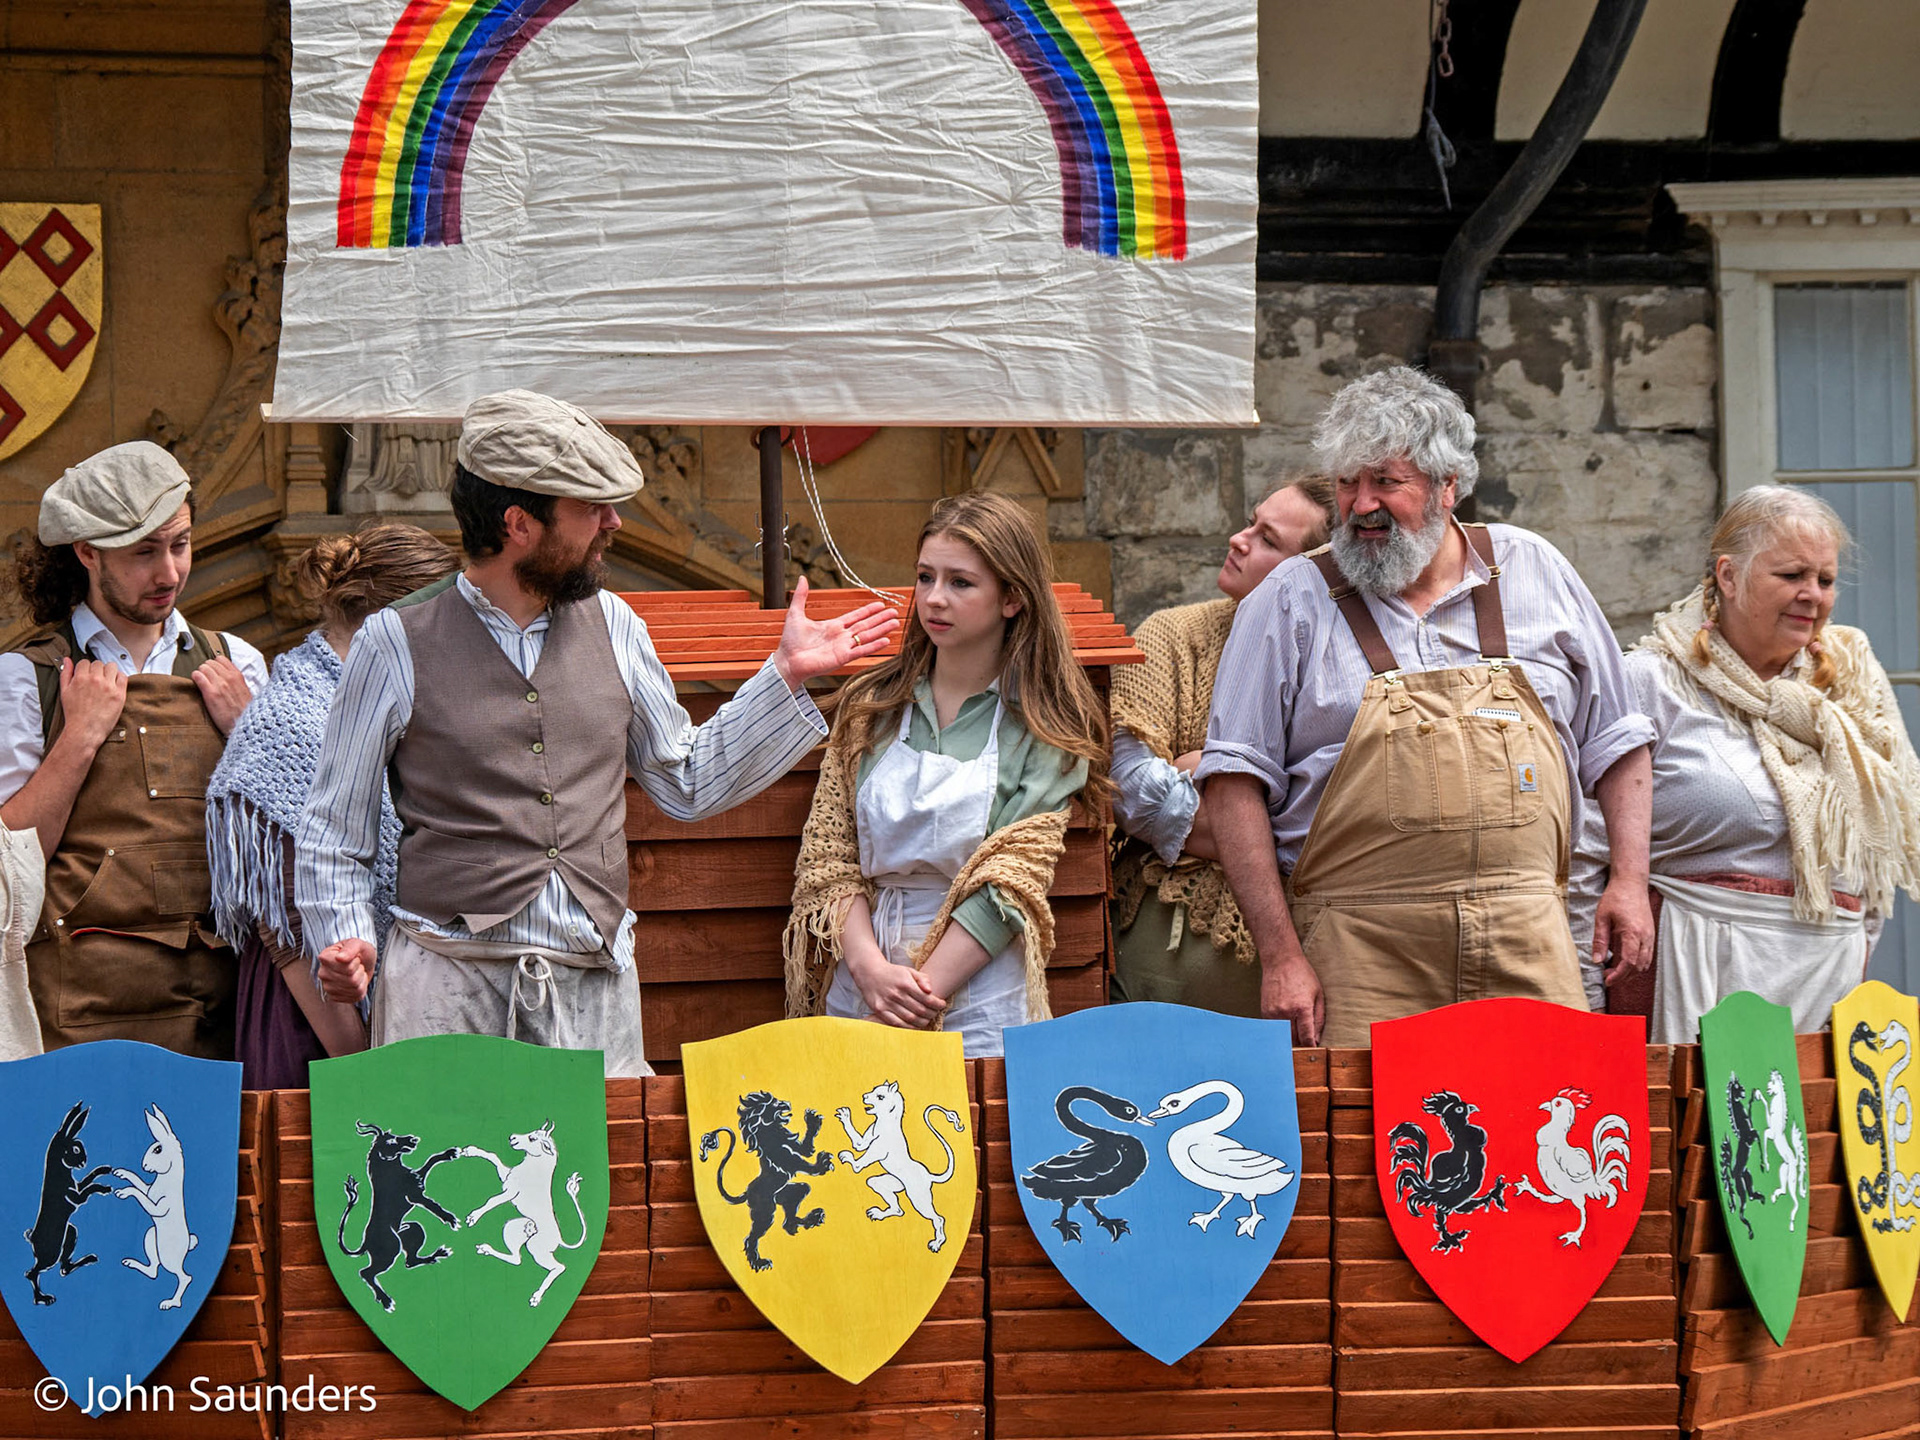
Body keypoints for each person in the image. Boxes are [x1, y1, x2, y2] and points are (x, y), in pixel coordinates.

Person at [297, 390, 898, 1077]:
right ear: (519, 524)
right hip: (448, 993)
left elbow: (685, 778)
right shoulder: (393, 641)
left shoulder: (615, 626)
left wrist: (784, 674)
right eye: (590, 507)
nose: (614, 522)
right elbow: (332, 832)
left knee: (588, 1184)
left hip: (591, 992)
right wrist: (342, 937)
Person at [1197, 366, 1657, 1046]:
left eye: (1386, 481)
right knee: (1370, 1144)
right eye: (1348, 482)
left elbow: (1618, 739)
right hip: (1360, 952)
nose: (1360, 505)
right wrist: (1282, 956)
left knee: (1548, 1129)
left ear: (1448, 485)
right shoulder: (1288, 601)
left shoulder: (1536, 570)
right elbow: (1233, 783)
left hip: (1527, 938)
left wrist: (1628, 881)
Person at [1570, 486, 1920, 1041]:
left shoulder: (1851, 687)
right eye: (1792, 576)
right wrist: (1588, 1012)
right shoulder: (1650, 681)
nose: (1813, 595)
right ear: (1728, 577)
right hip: (1697, 975)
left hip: (1827, 991)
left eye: (1825, 580)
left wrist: (1856, 960)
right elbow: (1584, 857)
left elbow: (1874, 854)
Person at [785, 492, 1111, 1057]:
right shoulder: (871, 707)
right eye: (925, 576)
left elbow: (1011, 884)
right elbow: (830, 858)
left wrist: (916, 998)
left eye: (961, 583)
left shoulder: (1045, 727)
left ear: (1011, 597)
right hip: (863, 977)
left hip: (977, 989)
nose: (934, 598)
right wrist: (867, 971)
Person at [0, 441, 267, 1056]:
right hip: (83, 1007)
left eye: (181, 544)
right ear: (87, 552)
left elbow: (290, 843)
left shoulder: (238, 665)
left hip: (220, 1002)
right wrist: (81, 737)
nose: (169, 572)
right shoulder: (27, 678)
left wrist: (249, 732)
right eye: (144, 552)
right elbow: (11, 861)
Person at [207, 524, 458, 1088]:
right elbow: (286, 925)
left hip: (392, 1011)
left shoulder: (377, 700)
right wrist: (363, 1064)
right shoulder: (293, 719)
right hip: (320, 1030)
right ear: (391, 623)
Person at [1109, 475, 1334, 1013]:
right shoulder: (1171, 636)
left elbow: (1350, 817)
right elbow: (1129, 787)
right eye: (1251, 523)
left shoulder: (1340, 668)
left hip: (1320, 962)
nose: (1239, 538)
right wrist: (1274, 807)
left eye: (1268, 540)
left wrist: (1204, 773)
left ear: (1313, 572)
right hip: (1168, 959)